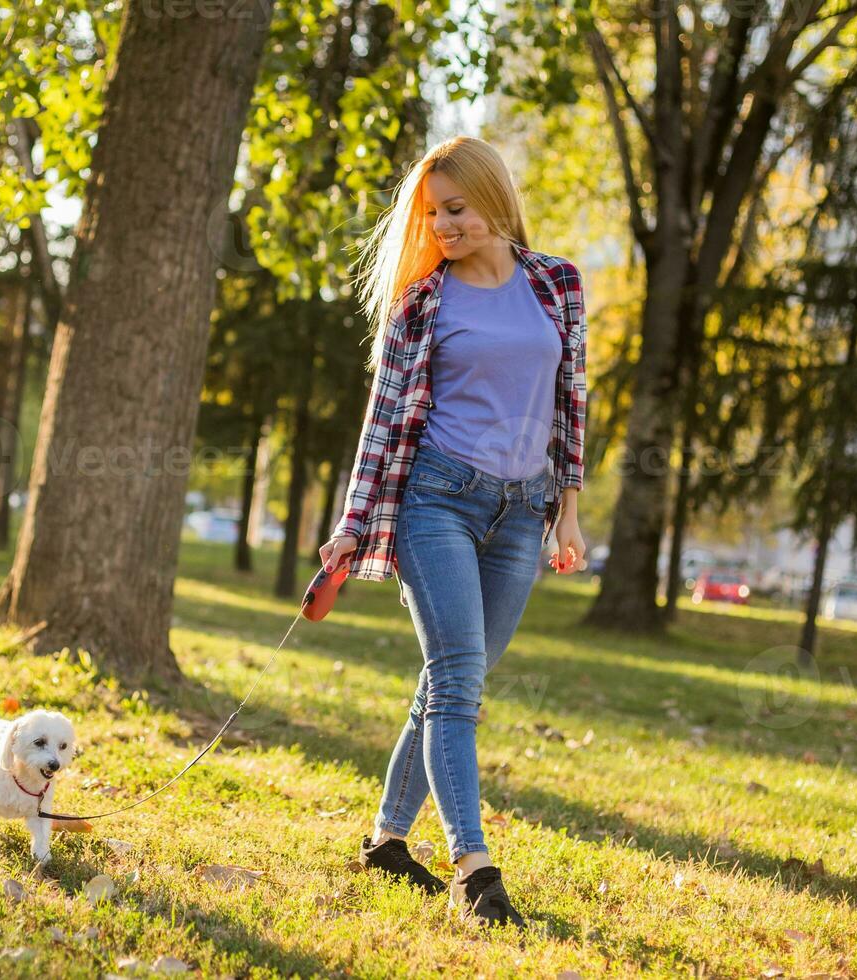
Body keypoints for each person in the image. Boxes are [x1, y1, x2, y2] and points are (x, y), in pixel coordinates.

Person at [319, 135, 588, 929]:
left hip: (523, 510)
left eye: (457, 209)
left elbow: (571, 398)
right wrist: (352, 522)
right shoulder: (421, 304)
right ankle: (474, 867)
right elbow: (381, 426)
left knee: (452, 680)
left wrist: (568, 507)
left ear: (496, 200)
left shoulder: (557, 284)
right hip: (434, 500)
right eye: (432, 215)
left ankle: (386, 842)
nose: (443, 226)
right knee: (459, 682)